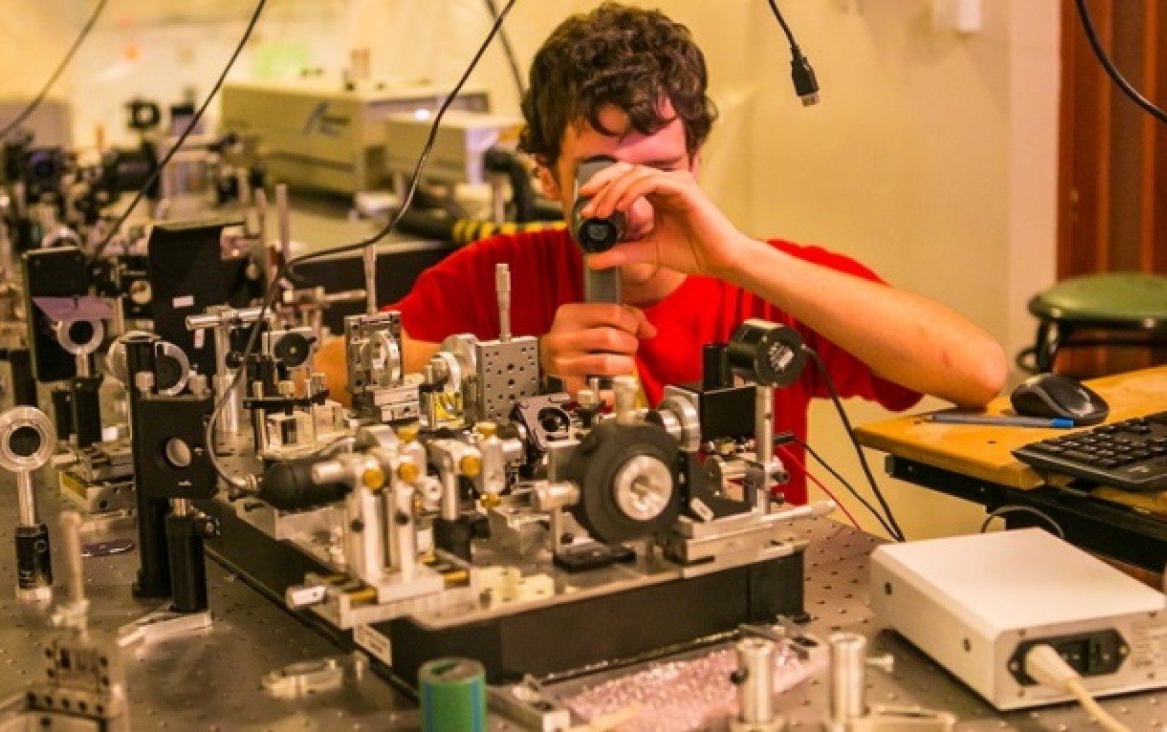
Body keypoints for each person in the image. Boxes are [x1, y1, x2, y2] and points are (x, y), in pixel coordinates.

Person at [317, 2, 1007, 504]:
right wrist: (526, 363)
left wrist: (737, 257)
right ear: (548, 176)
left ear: (697, 160)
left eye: (660, 171)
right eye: (599, 175)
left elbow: (977, 371)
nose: (633, 206)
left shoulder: (763, 279)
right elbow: (322, 373)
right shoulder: (496, 275)